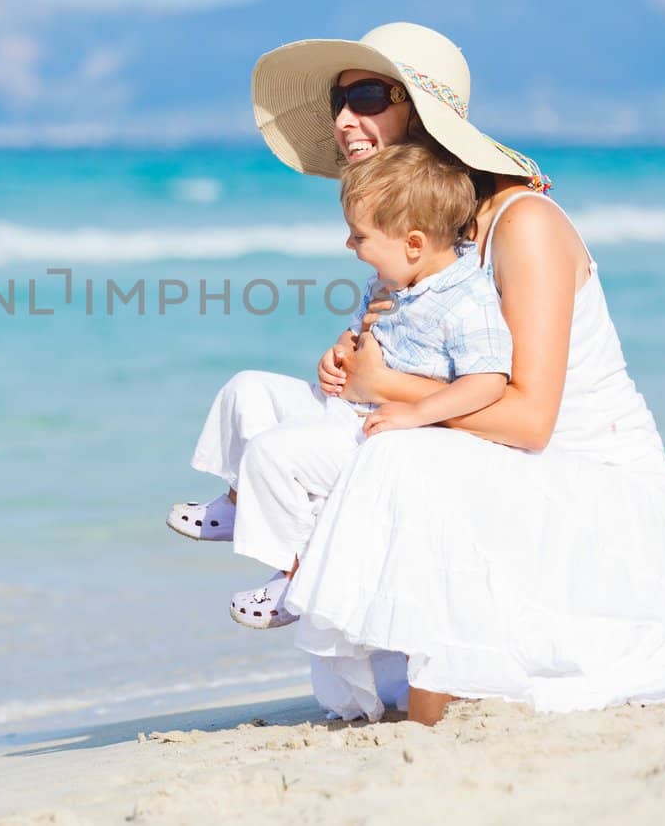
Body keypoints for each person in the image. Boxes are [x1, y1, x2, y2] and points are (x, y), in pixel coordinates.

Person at [244, 22, 665, 725]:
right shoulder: (434, 235)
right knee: (273, 408)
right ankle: (322, 599)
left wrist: (385, 388)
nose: (345, 118)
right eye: (337, 101)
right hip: (503, 479)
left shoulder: (522, 223)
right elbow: (408, 368)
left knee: (397, 449)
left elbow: (532, 420)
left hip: (596, 501)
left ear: (420, 111)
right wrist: (352, 365)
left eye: (368, 94)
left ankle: (422, 700)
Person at [174, 144, 513, 628]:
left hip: (387, 433)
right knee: (246, 388)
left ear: (413, 243)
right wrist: (338, 353)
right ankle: (238, 501)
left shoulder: (468, 300)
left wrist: (416, 412)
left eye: (359, 236)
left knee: (272, 454)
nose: (350, 247)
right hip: (348, 407)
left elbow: (488, 381)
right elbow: (358, 335)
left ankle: (298, 573)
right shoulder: (389, 280)